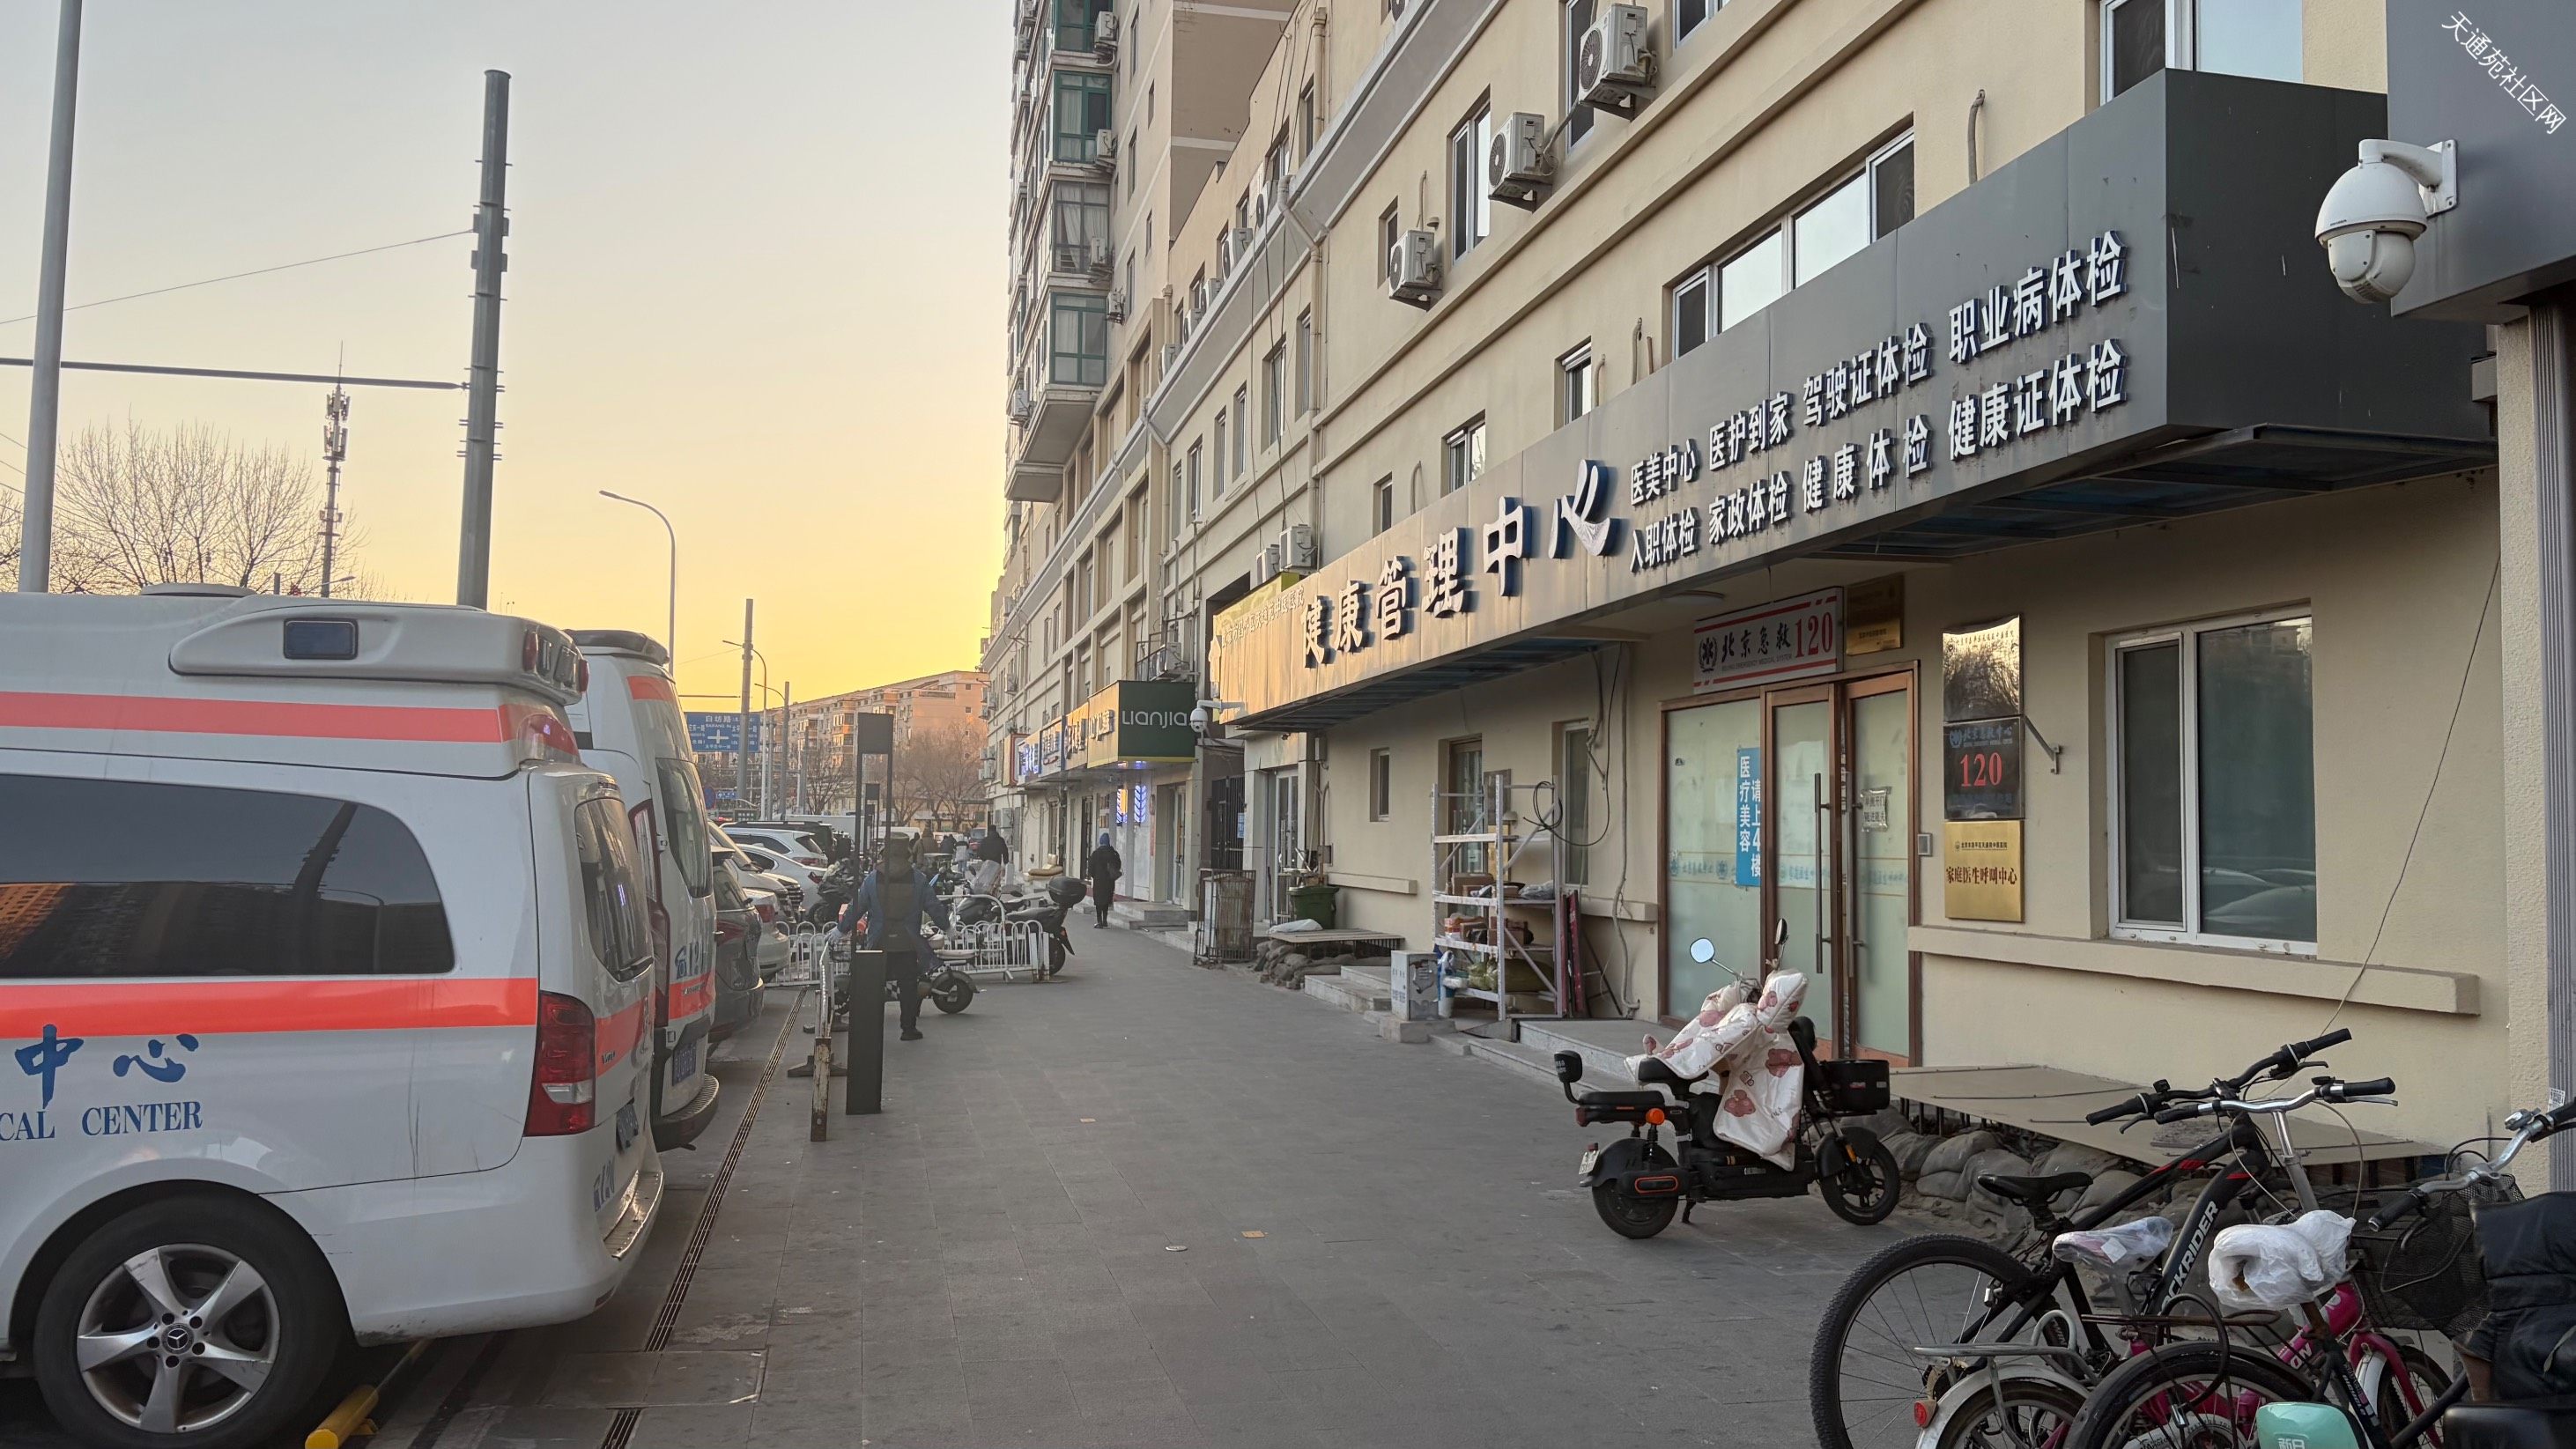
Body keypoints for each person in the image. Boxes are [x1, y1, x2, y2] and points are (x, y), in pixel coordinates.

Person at [833, 834, 950, 1041]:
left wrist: (841, 929)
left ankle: (872, 1029)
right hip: (907, 942)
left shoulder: (872, 879)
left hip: (879, 942)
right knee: (908, 986)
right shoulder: (918, 879)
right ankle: (908, 1029)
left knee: (874, 985)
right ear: (907, 853)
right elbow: (934, 907)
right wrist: (947, 927)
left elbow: (857, 907)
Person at [1084, 830, 1122, 928]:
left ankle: (1099, 921)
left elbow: (1091, 868)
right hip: (1109, 882)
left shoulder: (1096, 854)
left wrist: (1094, 876)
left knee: (1098, 901)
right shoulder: (1113, 853)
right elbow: (1118, 866)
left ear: (1101, 841)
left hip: (1099, 881)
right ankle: (1105, 920)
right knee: (1106, 900)